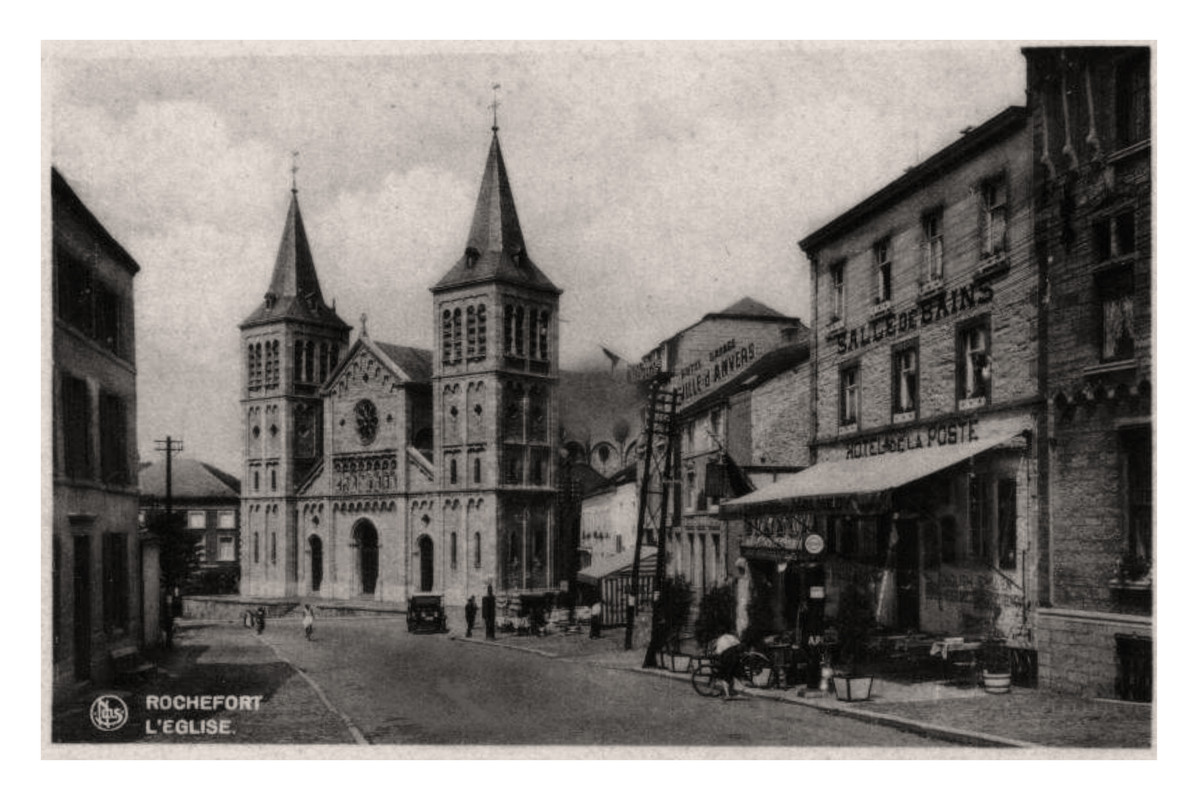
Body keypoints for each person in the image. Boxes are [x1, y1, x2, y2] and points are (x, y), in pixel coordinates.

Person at [713, 632, 744, 699]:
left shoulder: (720, 640)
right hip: (735, 658)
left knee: (723, 676)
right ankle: (735, 692)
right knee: (732, 675)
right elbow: (738, 645)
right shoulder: (731, 637)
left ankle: (727, 695)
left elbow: (718, 653)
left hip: (727, 659)